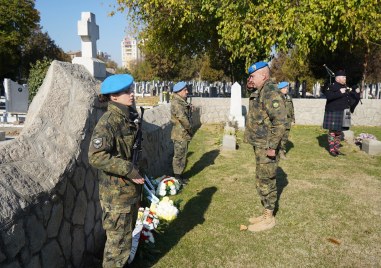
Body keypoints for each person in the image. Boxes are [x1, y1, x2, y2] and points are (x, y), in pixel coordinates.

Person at [88, 74, 145, 268]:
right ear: (114, 97)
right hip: (116, 196)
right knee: (116, 246)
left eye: (131, 90)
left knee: (124, 241)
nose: (131, 94)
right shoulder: (109, 122)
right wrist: (128, 168)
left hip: (128, 192)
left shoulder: (127, 117)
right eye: (127, 91)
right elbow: (96, 156)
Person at [244, 61, 287, 232]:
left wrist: (272, 147)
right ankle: (265, 212)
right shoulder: (262, 90)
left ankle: (269, 218)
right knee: (261, 179)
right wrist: (250, 85)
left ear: (263, 75)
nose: (250, 79)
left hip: (266, 146)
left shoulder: (270, 92)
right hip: (260, 144)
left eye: (253, 76)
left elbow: (280, 122)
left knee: (266, 180)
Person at [322, 69, 360, 157]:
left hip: (344, 111)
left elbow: (351, 97)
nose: (345, 79)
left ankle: (336, 148)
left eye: (345, 77)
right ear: (338, 78)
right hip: (334, 111)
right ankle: (331, 149)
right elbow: (328, 96)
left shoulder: (346, 86)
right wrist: (340, 92)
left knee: (339, 131)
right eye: (343, 77)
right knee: (332, 131)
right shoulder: (332, 86)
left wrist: (356, 92)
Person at [171, 81, 193, 186]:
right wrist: (189, 128)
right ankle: (177, 177)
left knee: (182, 155)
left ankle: (180, 176)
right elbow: (182, 118)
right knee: (179, 156)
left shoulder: (181, 101)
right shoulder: (176, 103)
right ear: (179, 91)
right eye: (185, 90)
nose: (187, 92)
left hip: (182, 133)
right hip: (180, 133)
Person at [278, 81, 295, 160]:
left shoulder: (288, 97)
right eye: (284, 88)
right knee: (278, 137)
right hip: (279, 121)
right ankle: (275, 152)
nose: (286, 89)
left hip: (287, 121)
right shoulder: (276, 98)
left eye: (286, 88)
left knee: (284, 138)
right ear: (280, 89)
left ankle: (282, 152)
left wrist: (293, 119)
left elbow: (292, 109)